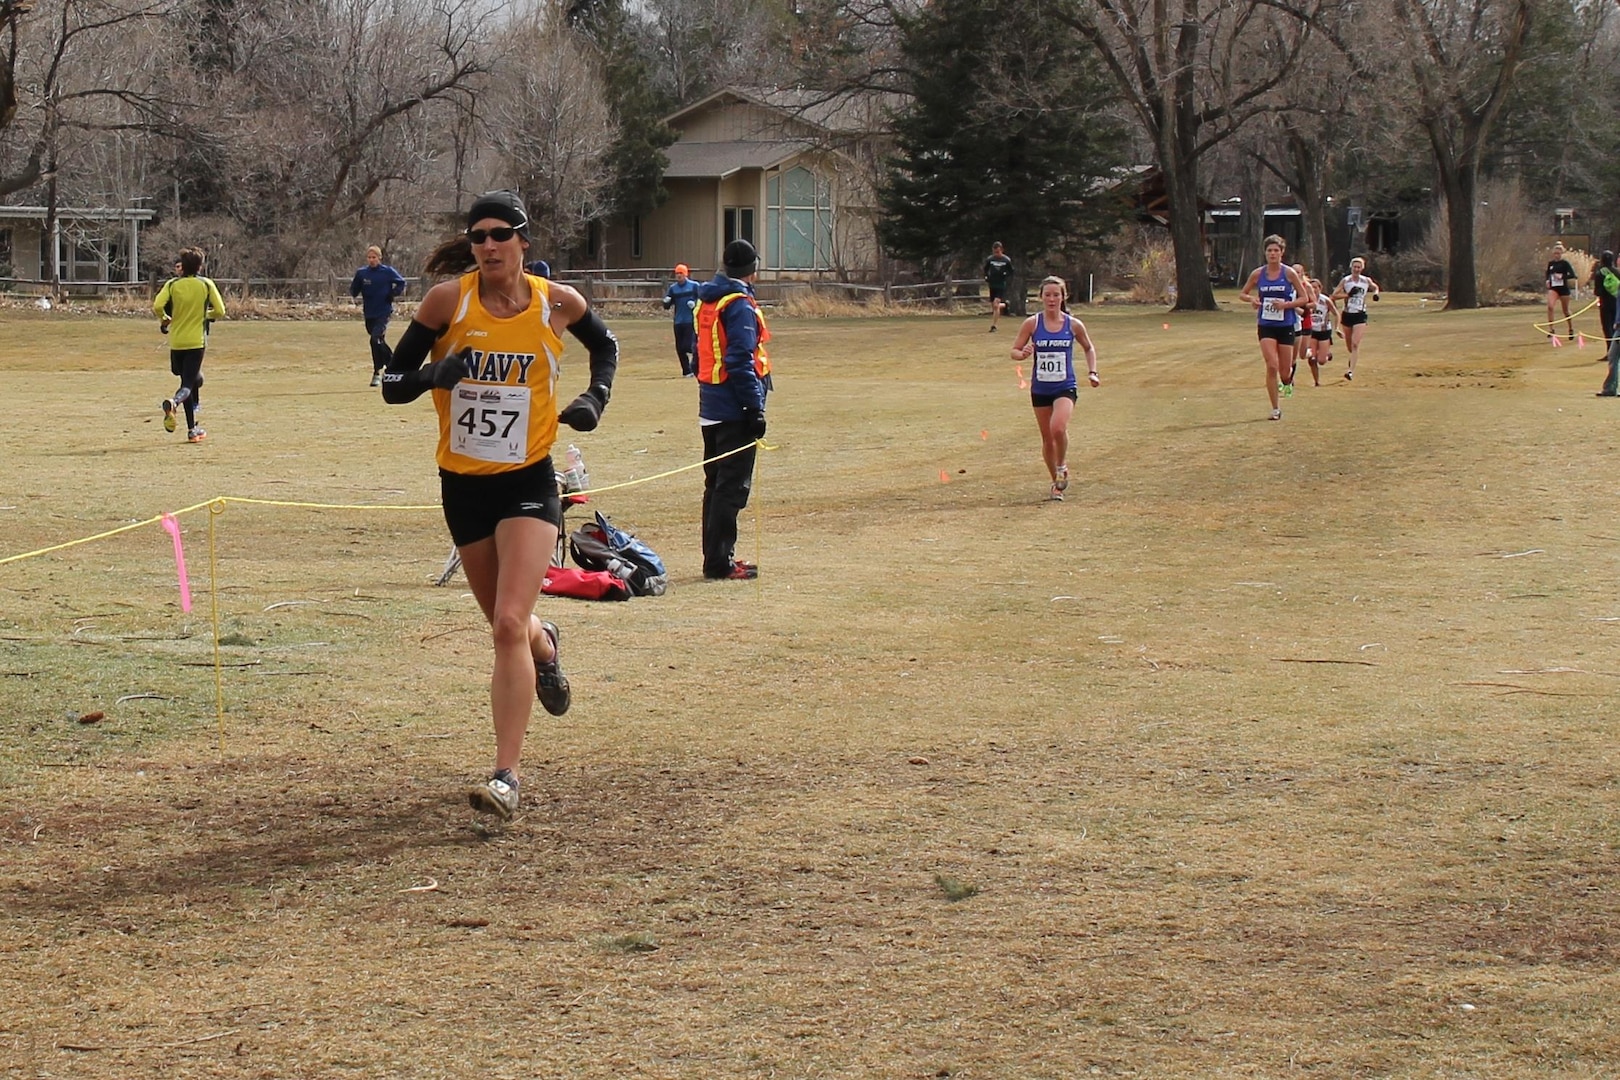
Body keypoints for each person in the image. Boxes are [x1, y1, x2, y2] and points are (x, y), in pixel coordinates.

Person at [380, 190, 620, 820]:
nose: (488, 245)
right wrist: (435, 376)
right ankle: (548, 647)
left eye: (499, 234)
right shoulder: (445, 302)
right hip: (463, 486)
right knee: (509, 626)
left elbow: (608, 345)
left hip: (529, 481)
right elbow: (390, 386)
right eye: (477, 235)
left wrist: (595, 398)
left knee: (507, 623)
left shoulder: (556, 303)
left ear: (522, 242)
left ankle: (506, 776)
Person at [695, 238, 771, 580]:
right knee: (730, 489)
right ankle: (719, 562)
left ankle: (716, 557)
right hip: (732, 409)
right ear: (752, 269)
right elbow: (739, 359)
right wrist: (753, 407)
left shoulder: (711, 299)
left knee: (716, 487)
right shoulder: (738, 304)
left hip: (711, 405)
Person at [1010, 275, 1099, 501]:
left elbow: (1089, 348)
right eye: (1047, 295)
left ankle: (1061, 466)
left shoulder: (1073, 324)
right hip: (1040, 388)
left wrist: (1092, 372)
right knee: (1047, 438)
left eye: (1056, 295)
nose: (1051, 299)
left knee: (1058, 427)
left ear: (1063, 297)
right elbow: (1014, 350)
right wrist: (1023, 354)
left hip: (1065, 386)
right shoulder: (1032, 323)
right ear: (1041, 297)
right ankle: (1056, 483)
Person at [154, 247, 226, 442]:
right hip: (196, 341)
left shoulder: (171, 285)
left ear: (183, 266)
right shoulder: (206, 284)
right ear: (200, 267)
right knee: (187, 384)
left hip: (177, 342)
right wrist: (205, 315)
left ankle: (193, 429)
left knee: (187, 377)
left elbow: (157, 306)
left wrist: (166, 319)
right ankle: (174, 402)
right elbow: (220, 311)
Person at [1238, 235, 1309, 420]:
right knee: (1272, 365)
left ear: (1282, 253)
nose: (1272, 254)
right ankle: (1275, 408)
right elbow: (1243, 294)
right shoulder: (1258, 274)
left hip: (1286, 325)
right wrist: (1252, 299)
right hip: (1266, 325)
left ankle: (1287, 381)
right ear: (1265, 253)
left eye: (1276, 250)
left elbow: (1304, 298)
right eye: (1269, 250)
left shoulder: (1289, 274)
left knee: (1285, 372)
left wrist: (1285, 305)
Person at [350, 245, 408, 387]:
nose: (371, 260)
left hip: (384, 311)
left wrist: (392, 294)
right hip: (369, 312)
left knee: (375, 339)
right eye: (369, 257)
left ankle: (377, 372)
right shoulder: (362, 273)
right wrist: (354, 292)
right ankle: (393, 365)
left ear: (379, 258)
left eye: (374, 257)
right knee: (377, 341)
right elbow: (354, 289)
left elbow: (401, 282)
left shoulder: (387, 272)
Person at [1331, 256, 1381, 382]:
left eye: (1359, 267)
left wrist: (1375, 294)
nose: (1357, 269)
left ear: (1362, 268)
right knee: (1349, 345)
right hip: (1347, 314)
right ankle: (1352, 358)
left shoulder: (1365, 281)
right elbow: (1334, 295)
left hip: (1360, 314)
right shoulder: (1346, 281)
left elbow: (1375, 287)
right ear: (1351, 267)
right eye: (1355, 267)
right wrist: (1347, 295)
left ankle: (1350, 371)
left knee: (1355, 344)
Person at [662, 263, 700, 377]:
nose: (679, 276)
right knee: (679, 348)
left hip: (691, 320)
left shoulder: (694, 286)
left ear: (686, 274)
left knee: (688, 345)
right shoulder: (673, 289)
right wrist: (666, 301)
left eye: (681, 273)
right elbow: (667, 306)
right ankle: (687, 371)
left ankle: (696, 365)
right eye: (677, 273)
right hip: (678, 321)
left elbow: (702, 299)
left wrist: (695, 304)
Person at [1289, 262, 1318, 397]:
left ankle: (1311, 352)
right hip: (1292, 322)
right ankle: (1289, 379)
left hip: (1305, 321)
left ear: (1302, 273)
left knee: (1302, 354)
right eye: (1293, 272)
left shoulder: (1306, 287)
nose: (1295, 274)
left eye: (1298, 272)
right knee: (1291, 356)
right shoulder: (1288, 286)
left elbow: (1314, 304)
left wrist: (1301, 305)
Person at [1305, 274, 1336, 386]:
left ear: (1320, 288)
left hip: (1324, 331)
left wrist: (1337, 328)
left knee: (1321, 361)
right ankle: (1316, 382)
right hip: (1311, 332)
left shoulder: (1325, 300)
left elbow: (1336, 314)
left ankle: (1327, 354)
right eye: (1311, 287)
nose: (1313, 290)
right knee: (1312, 359)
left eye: (1316, 287)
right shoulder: (1306, 300)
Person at [1545, 242, 1576, 341]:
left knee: (1565, 311)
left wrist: (1562, 276)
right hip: (1554, 288)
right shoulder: (1551, 264)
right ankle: (1551, 329)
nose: (1557, 255)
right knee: (1550, 306)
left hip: (1563, 288)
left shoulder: (1565, 263)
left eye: (1558, 253)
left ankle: (1570, 329)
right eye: (1555, 253)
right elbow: (1548, 273)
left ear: (1561, 254)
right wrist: (1547, 281)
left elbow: (1573, 275)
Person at [1587, 250, 1617, 347]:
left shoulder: (1600, 273)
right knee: (1616, 327)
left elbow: (1597, 292)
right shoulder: (1617, 272)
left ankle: (1610, 351)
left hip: (1605, 303)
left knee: (1607, 327)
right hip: (1617, 302)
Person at [983, 242, 1014, 332]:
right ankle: (1005, 305)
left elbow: (1011, 271)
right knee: (994, 306)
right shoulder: (990, 259)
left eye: (998, 252)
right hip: (992, 284)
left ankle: (994, 326)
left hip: (1001, 285)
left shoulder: (1006, 260)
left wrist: (1005, 274)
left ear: (1001, 250)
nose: (996, 254)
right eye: (994, 252)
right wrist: (986, 276)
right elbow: (985, 269)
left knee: (996, 305)